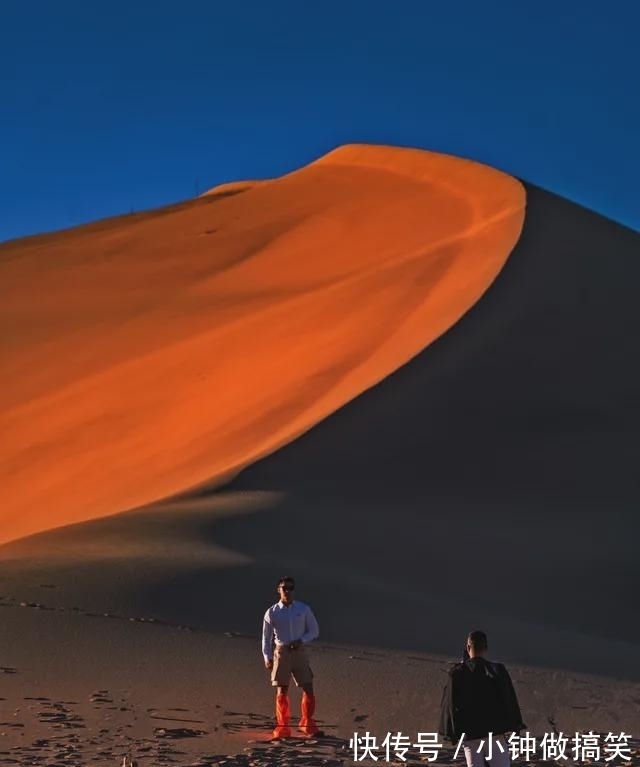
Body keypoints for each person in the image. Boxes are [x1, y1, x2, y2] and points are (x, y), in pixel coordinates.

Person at [439, 630, 526, 767]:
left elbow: (449, 705)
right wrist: (514, 725)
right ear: (486, 648)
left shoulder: (457, 674)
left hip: (470, 736)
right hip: (494, 734)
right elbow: (509, 700)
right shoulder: (496, 670)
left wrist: (453, 733)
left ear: (468, 648)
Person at [262, 576, 320, 738]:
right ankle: (283, 726)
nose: (287, 591)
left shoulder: (303, 609)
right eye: (284, 588)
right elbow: (266, 637)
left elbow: (314, 630)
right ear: (278, 590)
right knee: (282, 689)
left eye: (290, 588)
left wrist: (301, 640)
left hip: (299, 650)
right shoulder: (272, 612)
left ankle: (307, 722)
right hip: (281, 651)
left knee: (308, 686)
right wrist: (267, 657)